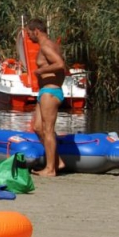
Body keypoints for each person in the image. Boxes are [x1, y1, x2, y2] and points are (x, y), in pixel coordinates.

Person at [27, 18, 68, 178]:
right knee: (38, 128)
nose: (29, 37)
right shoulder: (51, 45)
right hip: (44, 91)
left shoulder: (45, 46)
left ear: (36, 31)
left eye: (29, 33)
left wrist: (40, 72)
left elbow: (60, 64)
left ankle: (50, 169)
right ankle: (58, 161)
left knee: (48, 130)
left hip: (50, 92)